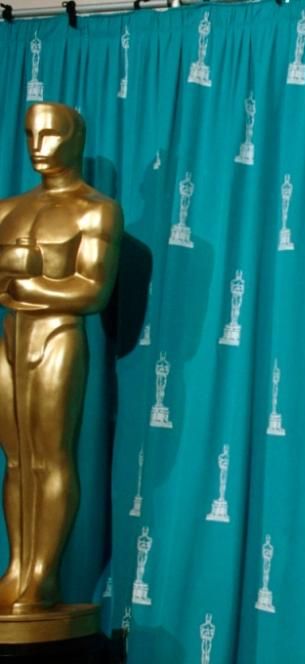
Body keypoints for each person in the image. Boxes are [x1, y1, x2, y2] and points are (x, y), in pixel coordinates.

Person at [0, 102, 122, 613]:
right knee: (16, 459)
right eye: (31, 134)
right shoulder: (8, 208)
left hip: (58, 336)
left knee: (50, 456)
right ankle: (17, 567)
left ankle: (43, 576)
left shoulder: (96, 210)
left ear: (75, 139)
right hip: (10, 338)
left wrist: (24, 284)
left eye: (50, 134)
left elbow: (91, 291)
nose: (38, 146)